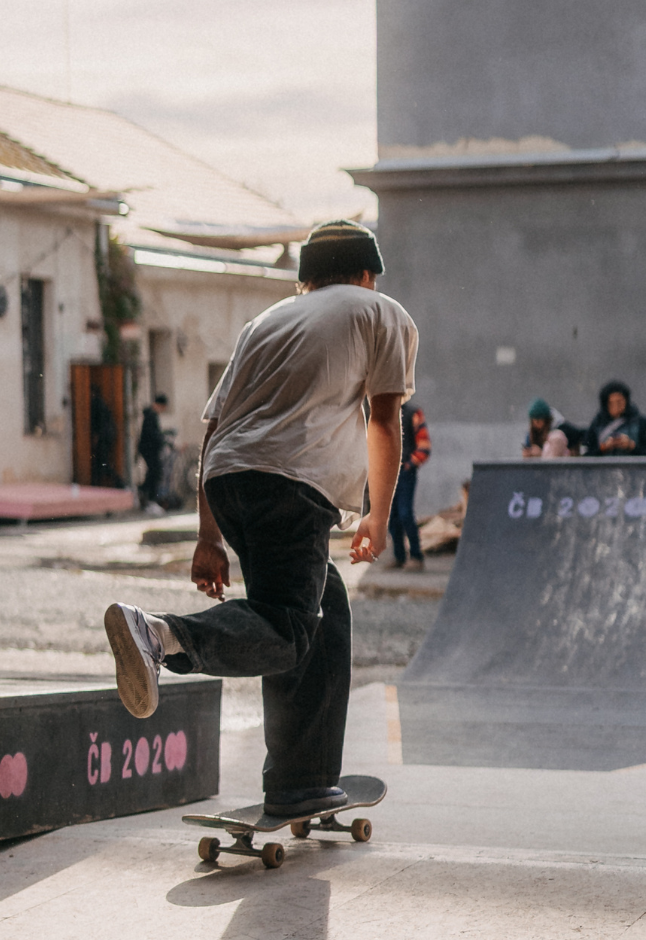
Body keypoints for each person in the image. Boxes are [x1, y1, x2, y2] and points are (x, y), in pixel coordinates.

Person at [102, 219, 417, 817]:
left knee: (324, 611)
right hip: (291, 486)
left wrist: (208, 537)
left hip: (229, 482)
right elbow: (383, 421)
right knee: (290, 628)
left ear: (305, 280)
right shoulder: (381, 313)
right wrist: (379, 512)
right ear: (367, 274)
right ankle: (163, 635)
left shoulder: (264, 322)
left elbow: (215, 431)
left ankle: (302, 778)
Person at [390, 399, 431, 570]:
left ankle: (416, 556)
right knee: (392, 517)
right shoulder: (382, 413)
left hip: (405, 472)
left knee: (405, 514)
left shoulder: (413, 412)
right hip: (388, 474)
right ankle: (399, 557)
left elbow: (424, 446)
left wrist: (410, 464)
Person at [584, 380, 646, 456]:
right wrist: (604, 447)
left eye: (619, 402)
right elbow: (586, 454)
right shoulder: (597, 423)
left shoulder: (640, 422)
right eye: (611, 403)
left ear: (626, 401)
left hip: (632, 467)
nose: (616, 407)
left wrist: (631, 446)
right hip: (605, 467)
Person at [138, 393, 170, 512]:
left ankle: (145, 494)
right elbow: (152, 434)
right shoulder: (151, 415)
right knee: (155, 473)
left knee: (153, 473)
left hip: (149, 449)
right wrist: (162, 439)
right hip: (150, 449)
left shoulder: (150, 414)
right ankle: (150, 500)